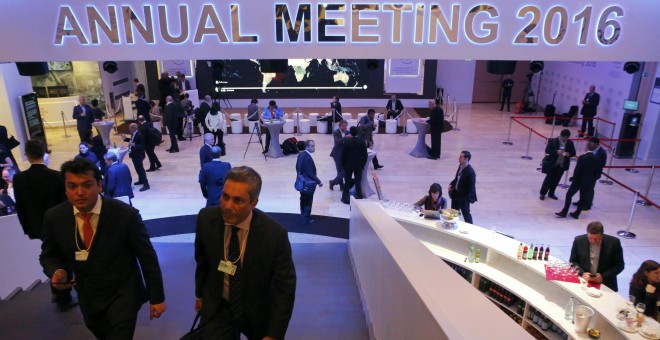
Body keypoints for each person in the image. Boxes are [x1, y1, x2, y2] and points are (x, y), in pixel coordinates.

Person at [39, 158, 166, 338]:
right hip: (88, 295)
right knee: (100, 332)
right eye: (72, 186)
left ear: (99, 185)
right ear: (66, 189)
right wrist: (57, 270)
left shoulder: (125, 215)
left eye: (87, 185)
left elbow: (147, 257)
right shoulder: (55, 217)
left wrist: (157, 297)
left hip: (123, 294)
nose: (80, 192)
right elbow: (48, 255)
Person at [194, 166, 296, 339]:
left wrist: (274, 334)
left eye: (237, 200)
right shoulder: (206, 219)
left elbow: (285, 287)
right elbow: (202, 261)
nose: (227, 206)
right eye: (225, 197)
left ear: (253, 203)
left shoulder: (274, 234)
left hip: (258, 310)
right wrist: (199, 294)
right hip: (220, 306)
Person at [13, 140, 69, 307]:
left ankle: (58, 291)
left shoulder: (19, 179)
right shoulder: (56, 176)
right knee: (60, 256)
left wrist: (26, 229)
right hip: (58, 225)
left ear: (27, 155)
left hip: (36, 227)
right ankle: (61, 293)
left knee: (49, 255)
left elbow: (20, 207)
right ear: (44, 152)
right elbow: (63, 203)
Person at [569, 221, 624, 291]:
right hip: (584, 280)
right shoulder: (578, 240)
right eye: (590, 238)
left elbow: (619, 265)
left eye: (596, 239)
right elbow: (573, 262)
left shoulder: (614, 243)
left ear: (602, 235)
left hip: (605, 282)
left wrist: (603, 277)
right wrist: (582, 273)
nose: (593, 241)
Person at [555, 141, 600, 219]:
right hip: (588, 182)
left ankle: (564, 211)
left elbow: (578, 170)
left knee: (569, 195)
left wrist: (573, 178)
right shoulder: (596, 158)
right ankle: (577, 213)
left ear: (586, 147)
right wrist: (593, 179)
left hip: (578, 180)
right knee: (583, 197)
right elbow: (597, 172)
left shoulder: (582, 157)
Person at [540, 129, 576, 200]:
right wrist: (556, 152)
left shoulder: (570, 143)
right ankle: (543, 193)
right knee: (548, 179)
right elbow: (547, 150)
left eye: (567, 138)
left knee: (556, 180)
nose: (565, 139)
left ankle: (551, 193)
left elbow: (573, 153)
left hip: (562, 165)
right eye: (564, 137)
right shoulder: (552, 141)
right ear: (561, 136)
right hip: (552, 164)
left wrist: (568, 154)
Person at [574, 137, 607, 210]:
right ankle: (581, 201)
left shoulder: (602, 153)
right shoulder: (590, 150)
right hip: (586, 173)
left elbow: (602, 164)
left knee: (589, 189)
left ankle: (587, 205)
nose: (589, 144)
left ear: (596, 144)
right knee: (583, 188)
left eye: (591, 143)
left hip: (593, 174)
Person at [296, 140, 323, 224]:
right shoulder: (307, 157)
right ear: (307, 147)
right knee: (308, 200)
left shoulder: (301, 154)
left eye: (314, 146)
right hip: (307, 183)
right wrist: (319, 181)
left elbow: (297, 167)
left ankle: (303, 214)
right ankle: (306, 218)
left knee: (303, 199)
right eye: (312, 146)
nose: (314, 148)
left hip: (301, 182)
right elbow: (310, 172)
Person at [448, 150, 477, 224]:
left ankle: (470, 228)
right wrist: (451, 185)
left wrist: (465, 199)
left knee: (466, 214)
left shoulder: (471, 172)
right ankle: (452, 225)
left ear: (466, 159)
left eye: (461, 157)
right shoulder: (460, 166)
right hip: (456, 194)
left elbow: (471, 188)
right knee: (454, 213)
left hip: (463, 197)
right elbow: (457, 178)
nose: (459, 158)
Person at [341, 126, 368, 204]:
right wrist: (362, 164)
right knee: (358, 182)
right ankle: (359, 196)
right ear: (357, 132)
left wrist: (343, 165)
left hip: (348, 165)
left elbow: (343, 155)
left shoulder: (347, 142)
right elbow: (365, 155)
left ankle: (344, 197)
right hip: (358, 165)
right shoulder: (362, 142)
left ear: (350, 132)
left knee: (347, 182)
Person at [125, 123, 150, 191]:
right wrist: (126, 139)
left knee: (140, 169)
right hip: (134, 154)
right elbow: (132, 141)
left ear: (133, 128)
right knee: (137, 168)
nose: (129, 129)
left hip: (138, 155)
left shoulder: (139, 135)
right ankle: (141, 180)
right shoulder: (133, 134)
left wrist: (134, 145)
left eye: (130, 128)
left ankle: (146, 184)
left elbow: (141, 145)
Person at [329, 120, 349, 191]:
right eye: (343, 126)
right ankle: (341, 185)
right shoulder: (336, 132)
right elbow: (337, 142)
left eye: (345, 126)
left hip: (345, 154)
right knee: (339, 171)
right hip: (337, 154)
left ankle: (333, 182)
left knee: (344, 170)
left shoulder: (347, 132)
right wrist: (345, 137)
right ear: (340, 126)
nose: (344, 127)